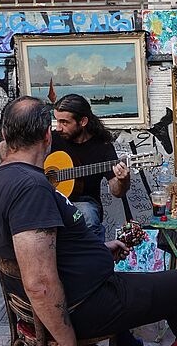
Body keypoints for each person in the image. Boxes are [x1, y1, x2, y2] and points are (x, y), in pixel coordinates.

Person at [0, 96, 177, 346]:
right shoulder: (32, 188)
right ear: (47, 136)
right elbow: (39, 283)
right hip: (85, 306)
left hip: (56, 300)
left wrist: (97, 250)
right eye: (54, 125)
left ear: (4, 136)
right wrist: (68, 341)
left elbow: (39, 254)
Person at [50, 94, 130, 240]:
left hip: (84, 201)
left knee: (87, 214)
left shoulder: (102, 147)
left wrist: (123, 180)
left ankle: (93, 258)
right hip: (49, 200)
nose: (58, 128)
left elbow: (117, 192)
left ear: (83, 121)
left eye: (64, 122)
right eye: (56, 120)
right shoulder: (51, 139)